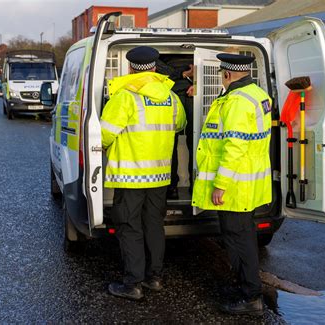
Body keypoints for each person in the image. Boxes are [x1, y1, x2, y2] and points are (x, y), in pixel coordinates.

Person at [101, 46, 187, 300]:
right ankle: (155, 278)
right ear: (153, 68)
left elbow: (105, 133)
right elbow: (180, 125)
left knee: (129, 226)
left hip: (130, 175)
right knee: (154, 226)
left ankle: (133, 283)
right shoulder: (171, 97)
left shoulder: (125, 96)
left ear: (130, 68)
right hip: (159, 175)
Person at [192, 53, 272, 315]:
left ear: (226, 74)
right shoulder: (257, 94)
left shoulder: (237, 102)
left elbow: (234, 147)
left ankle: (251, 297)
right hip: (248, 181)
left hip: (235, 185)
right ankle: (245, 288)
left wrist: (220, 185)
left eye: (220, 76)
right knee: (244, 237)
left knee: (239, 240)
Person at [156, 57, 194, 199]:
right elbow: (155, 67)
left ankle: (188, 186)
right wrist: (183, 74)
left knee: (195, 143)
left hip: (189, 95)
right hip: (169, 95)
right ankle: (171, 186)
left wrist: (199, 83)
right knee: (170, 144)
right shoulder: (153, 56)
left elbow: (212, 68)